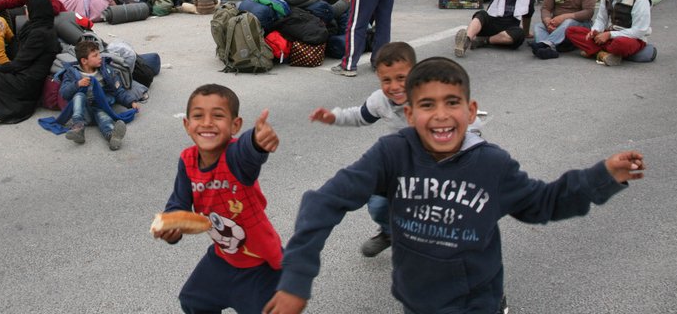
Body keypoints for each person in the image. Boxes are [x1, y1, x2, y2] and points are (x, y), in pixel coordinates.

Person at [263, 57, 645, 314]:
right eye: (427, 105)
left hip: (476, 301)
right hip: (415, 297)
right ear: (409, 114)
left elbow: (542, 203)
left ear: (471, 109)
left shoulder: (492, 164)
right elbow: (324, 201)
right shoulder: (392, 153)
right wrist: (297, 279)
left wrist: (602, 177)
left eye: (452, 102)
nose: (441, 115)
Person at [154, 84, 282, 314]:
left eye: (218, 115)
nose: (206, 123)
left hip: (261, 264)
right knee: (192, 300)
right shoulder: (187, 160)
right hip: (224, 256)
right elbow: (179, 204)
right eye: (198, 116)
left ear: (235, 125)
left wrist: (256, 141)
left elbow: (246, 151)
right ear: (187, 125)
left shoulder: (235, 157)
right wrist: (172, 228)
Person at [308, 42, 416, 258]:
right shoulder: (380, 100)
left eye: (401, 78)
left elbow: (458, 117)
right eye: (386, 80)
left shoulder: (433, 96)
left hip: (429, 166)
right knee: (377, 205)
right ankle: (389, 233)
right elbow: (360, 115)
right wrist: (334, 117)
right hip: (396, 164)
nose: (394, 86)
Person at [565, 0, 652, 66]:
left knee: (619, 44)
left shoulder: (640, 0)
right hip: (609, 36)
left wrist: (610, 35)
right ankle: (603, 54)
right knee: (571, 31)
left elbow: (638, 31)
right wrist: (595, 31)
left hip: (631, 39)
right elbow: (601, 19)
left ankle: (596, 52)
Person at [59, 41, 130, 149]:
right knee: (79, 95)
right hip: (84, 112)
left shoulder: (105, 71)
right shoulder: (72, 73)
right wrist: (77, 84)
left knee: (104, 118)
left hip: (99, 107)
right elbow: (64, 93)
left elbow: (117, 90)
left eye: (99, 54)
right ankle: (78, 128)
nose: (100, 57)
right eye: (95, 55)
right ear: (84, 61)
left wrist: (131, 102)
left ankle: (112, 136)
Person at [454, 0, 534, 57]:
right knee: (481, 14)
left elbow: (527, 15)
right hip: (491, 22)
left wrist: (526, 33)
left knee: (519, 35)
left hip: (508, 29)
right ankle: (466, 40)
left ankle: (483, 41)